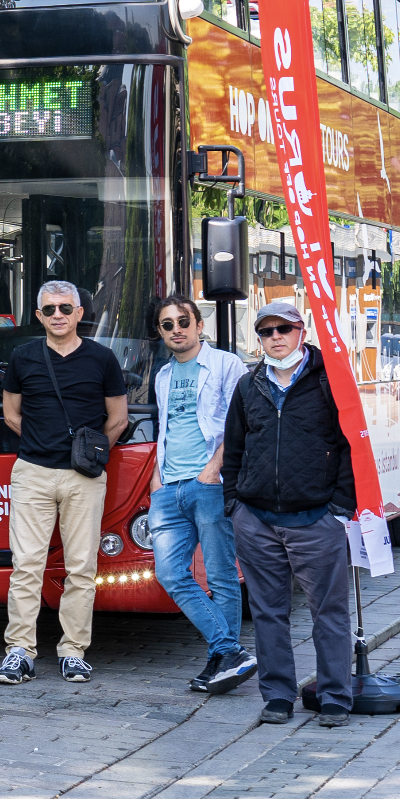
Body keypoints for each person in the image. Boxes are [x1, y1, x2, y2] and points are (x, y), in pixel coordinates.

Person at [224, 300, 358, 727]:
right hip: (257, 519)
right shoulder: (249, 386)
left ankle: (335, 695)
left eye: (284, 329)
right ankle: (278, 695)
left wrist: (338, 509)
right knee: (267, 612)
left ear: (302, 332)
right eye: (266, 331)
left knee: (329, 611)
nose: (275, 337)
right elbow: (234, 449)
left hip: (316, 518)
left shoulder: (331, 381)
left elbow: (350, 446)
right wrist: (235, 505)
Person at [0, 280, 125, 685]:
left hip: (83, 478)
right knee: (26, 566)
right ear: (38, 316)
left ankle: (73, 651)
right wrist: (41, 446)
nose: (58, 316)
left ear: (79, 313)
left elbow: (117, 419)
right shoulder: (23, 356)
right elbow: (11, 414)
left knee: (82, 568)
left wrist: (93, 453)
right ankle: (19, 651)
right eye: (49, 310)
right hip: (32, 473)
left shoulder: (102, 359)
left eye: (65, 308)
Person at [146, 294, 254, 695]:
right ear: (160, 332)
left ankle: (221, 660)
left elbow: (240, 424)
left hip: (208, 483)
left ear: (199, 325)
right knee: (170, 574)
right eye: (167, 325)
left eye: (183, 322)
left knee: (222, 576)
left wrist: (214, 469)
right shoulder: (162, 375)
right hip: (168, 488)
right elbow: (167, 430)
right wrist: (157, 480)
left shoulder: (227, 365)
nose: (177, 330)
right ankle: (229, 651)